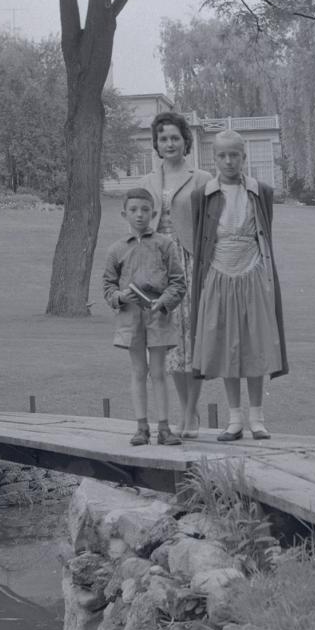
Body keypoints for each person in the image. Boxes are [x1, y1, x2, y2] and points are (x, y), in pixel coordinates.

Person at [190, 130, 288, 441]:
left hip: (252, 273)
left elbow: (264, 235)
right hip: (219, 273)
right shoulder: (203, 195)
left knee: (254, 343)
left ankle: (257, 418)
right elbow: (202, 238)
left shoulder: (261, 192)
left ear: (244, 158)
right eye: (222, 155)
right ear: (214, 158)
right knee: (227, 345)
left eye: (235, 155)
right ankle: (234, 420)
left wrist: (262, 271)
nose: (229, 161)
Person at [138, 111, 212, 438]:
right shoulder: (147, 182)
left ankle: (190, 415)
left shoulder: (202, 178)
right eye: (163, 138)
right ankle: (188, 412)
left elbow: (213, 227)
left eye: (175, 138)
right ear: (156, 143)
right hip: (158, 267)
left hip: (190, 263)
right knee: (170, 345)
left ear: (186, 142)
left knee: (192, 341)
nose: (169, 143)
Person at [102, 187, 187, 446]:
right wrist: (119, 297)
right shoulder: (116, 249)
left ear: (153, 213)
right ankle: (141, 428)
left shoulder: (165, 244)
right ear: (124, 213)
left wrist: (165, 302)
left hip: (158, 316)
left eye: (145, 210)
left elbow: (178, 282)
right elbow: (108, 286)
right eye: (134, 210)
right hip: (130, 318)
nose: (140, 215)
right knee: (138, 371)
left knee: (159, 372)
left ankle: (164, 428)